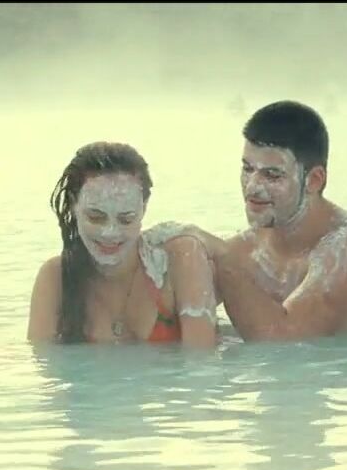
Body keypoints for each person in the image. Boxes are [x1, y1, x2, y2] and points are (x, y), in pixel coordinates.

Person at [183, 100, 347, 342]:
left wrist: (224, 261)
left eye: (272, 175)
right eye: (248, 170)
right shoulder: (248, 248)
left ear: (314, 180)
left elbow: (282, 341)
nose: (252, 187)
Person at [28, 142, 219, 348]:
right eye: (95, 217)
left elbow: (201, 362)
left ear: (144, 208)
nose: (110, 233)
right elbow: (42, 360)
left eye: (126, 219)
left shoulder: (180, 260)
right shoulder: (55, 277)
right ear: (74, 205)